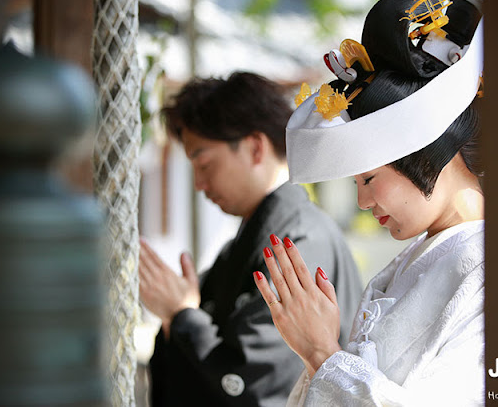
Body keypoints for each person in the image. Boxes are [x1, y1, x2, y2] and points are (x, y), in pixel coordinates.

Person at [253, 0, 485, 406]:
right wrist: (317, 355)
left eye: (369, 178)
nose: (362, 201)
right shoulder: (410, 261)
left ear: (430, 152)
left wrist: (322, 353)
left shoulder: (490, 272)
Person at [139, 71, 363, 406]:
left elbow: (257, 380)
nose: (199, 184)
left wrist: (182, 315)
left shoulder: (299, 240)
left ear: (255, 148)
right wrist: (180, 313)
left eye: (204, 164)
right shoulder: (258, 236)